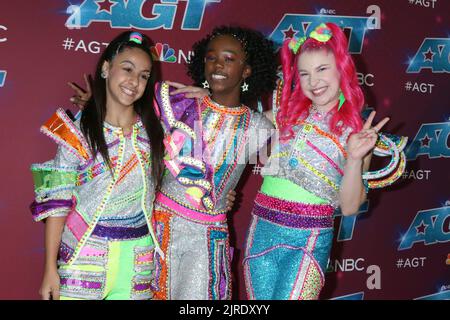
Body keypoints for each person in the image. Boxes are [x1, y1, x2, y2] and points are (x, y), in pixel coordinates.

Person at [242, 23, 406, 300]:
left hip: (308, 238)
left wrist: (354, 158)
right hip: (261, 229)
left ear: (342, 69)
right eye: (304, 73)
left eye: (322, 70)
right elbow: (240, 128)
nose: (313, 81)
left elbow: (351, 206)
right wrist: (210, 98)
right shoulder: (284, 113)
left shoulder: (357, 132)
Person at [30, 31, 165, 300]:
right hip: (83, 257)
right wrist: (49, 269)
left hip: (138, 258)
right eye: (127, 69)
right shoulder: (77, 132)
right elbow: (57, 202)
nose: (134, 81)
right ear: (106, 68)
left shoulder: (156, 130)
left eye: (143, 75)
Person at [150, 25, 278, 300]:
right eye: (211, 57)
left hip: (206, 236)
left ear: (247, 70)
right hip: (161, 226)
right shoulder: (181, 105)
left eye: (230, 58)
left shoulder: (258, 126)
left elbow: (307, 101)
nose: (218, 64)